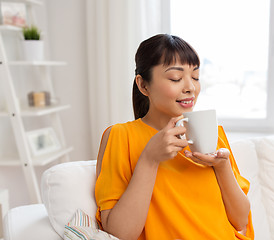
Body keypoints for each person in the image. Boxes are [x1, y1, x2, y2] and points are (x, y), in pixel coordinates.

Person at [95, 34, 254, 240]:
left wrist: (222, 167)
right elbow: (120, 234)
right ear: (143, 85)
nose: (190, 87)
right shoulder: (120, 136)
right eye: (175, 78)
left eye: (195, 77)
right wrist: (149, 159)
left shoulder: (213, 134)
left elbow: (240, 220)